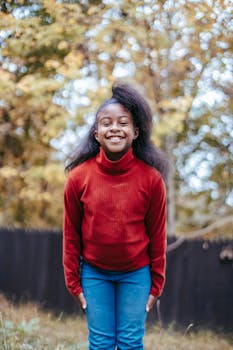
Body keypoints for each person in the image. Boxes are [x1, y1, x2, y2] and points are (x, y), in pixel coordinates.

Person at [63, 82, 168, 350]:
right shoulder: (78, 178)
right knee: (100, 344)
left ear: (135, 132)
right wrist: (73, 283)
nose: (115, 128)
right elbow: (71, 234)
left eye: (123, 123)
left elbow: (157, 236)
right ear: (96, 133)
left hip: (136, 273)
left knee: (131, 343)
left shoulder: (152, 180)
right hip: (94, 273)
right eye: (106, 123)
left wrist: (157, 284)